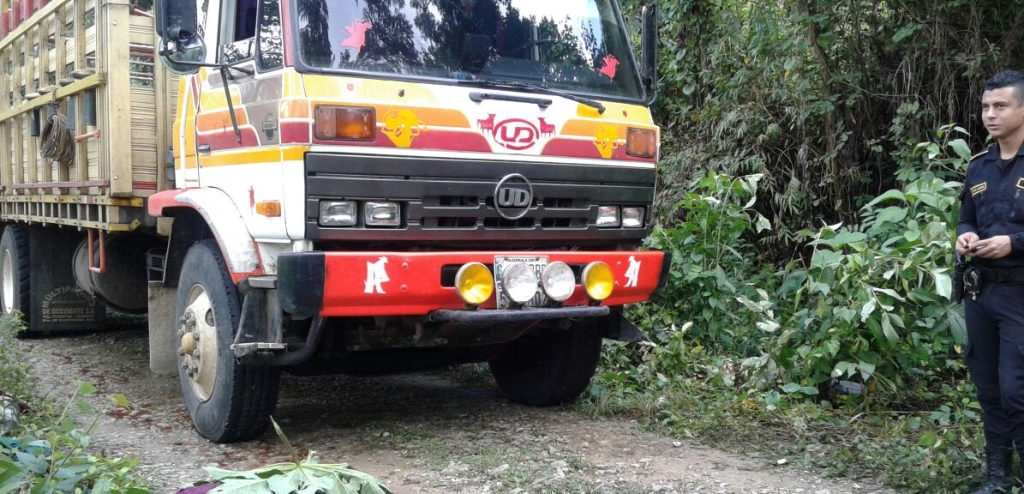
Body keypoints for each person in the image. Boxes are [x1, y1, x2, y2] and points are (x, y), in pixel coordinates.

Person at [958, 69, 1024, 493]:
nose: (989, 114)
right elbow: (967, 217)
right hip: (980, 290)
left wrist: (1013, 244)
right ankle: (998, 479)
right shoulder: (978, 166)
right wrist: (965, 237)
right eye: (985, 107)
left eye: (1000, 106)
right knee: (989, 391)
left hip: (1020, 293)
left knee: (1016, 389)